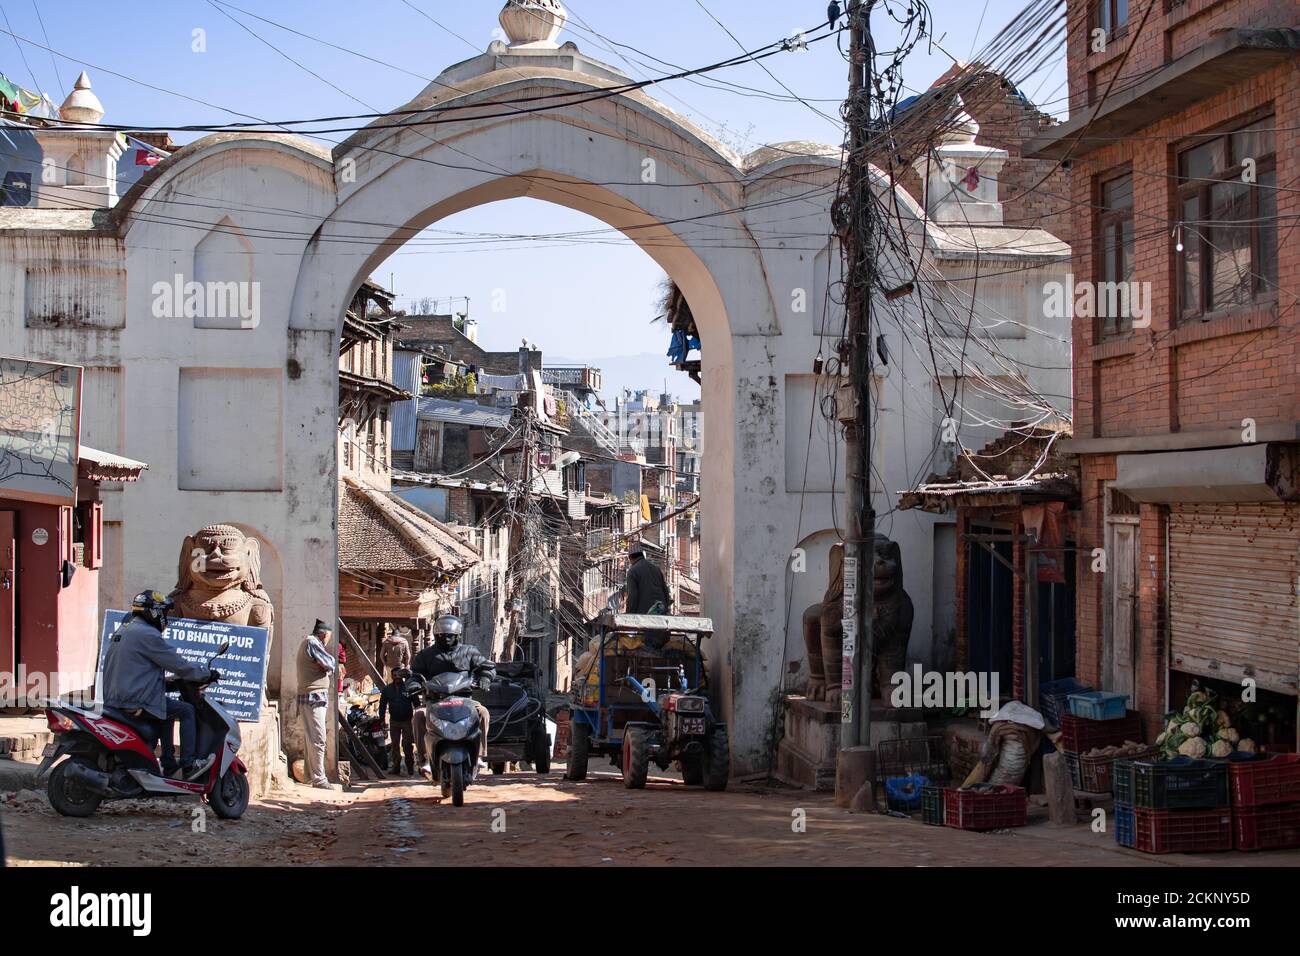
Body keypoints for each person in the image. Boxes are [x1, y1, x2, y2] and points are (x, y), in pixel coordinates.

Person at [101, 590, 216, 780]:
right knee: (187, 710)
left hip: (116, 699)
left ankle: (169, 766)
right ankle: (189, 765)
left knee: (165, 711)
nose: (166, 619)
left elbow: (136, 671)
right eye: (164, 613)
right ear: (155, 613)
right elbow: (180, 664)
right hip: (134, 700)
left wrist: (167, 683)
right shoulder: (148, 634)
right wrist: (205, 673)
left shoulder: (125, 628)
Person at [410, 615, 495, 776]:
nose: (446, 638)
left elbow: (487, 667)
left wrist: (485, 678)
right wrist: (413, 684)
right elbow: (415, 674)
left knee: (483, 713)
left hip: (464, 700)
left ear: (457, 636)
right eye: (442, 635)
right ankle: (424, 758)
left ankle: (478, 754)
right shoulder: (425, 655)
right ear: (436, 636)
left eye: (450, 635)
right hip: (434, 701)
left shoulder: (469, 652)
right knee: (418, 717)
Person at [297, 619, 337, 789]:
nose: (328, 639)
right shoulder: (312, 643)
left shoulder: (308, 642)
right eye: (329, 636)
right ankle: (319, 779)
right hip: (313, 698)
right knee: (318, 739)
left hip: (312, 697)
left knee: (312, 739)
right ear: (324, 634)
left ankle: (310, 776)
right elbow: (330, 663)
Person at [379, 667, 416, 776]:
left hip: (407, 721)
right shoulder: (387, 690)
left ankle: (410, 767)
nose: (397, 677)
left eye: (399, 675)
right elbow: (382, 705)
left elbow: (416, 703)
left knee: (407, 745)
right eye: (394, 675)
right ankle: (396, 767)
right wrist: (382, 720)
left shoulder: (409, 688)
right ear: (392, 676)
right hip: (394, 721)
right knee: (395, 746)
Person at [624, 544, 670, 615]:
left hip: (645, 614)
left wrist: (629, 614)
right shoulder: (656, 569)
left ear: (630, 557)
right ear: (642, 555)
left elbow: (632, 596)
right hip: (660, 610)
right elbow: (665, 591)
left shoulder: (632, 571)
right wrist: (666, 608)